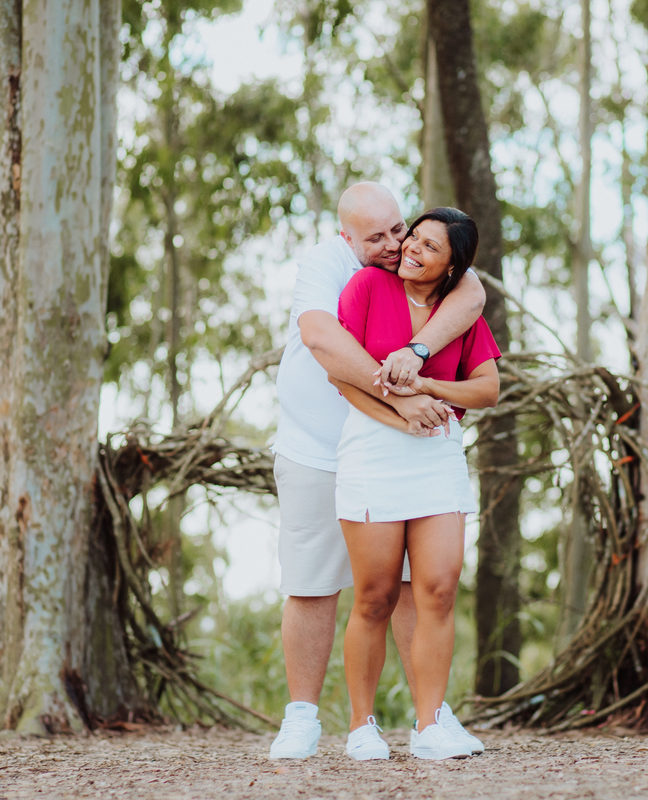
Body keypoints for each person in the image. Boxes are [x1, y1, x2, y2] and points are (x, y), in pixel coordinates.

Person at [269, 184, 487, 759]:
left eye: (400, 229)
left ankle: (431, 719)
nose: (394, 245)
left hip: (405, 455)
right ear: (346, 238)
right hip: (317, 448)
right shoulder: (331, 265)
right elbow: (322, 340)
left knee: (421, 587)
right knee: (316, 584)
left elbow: (472, 294)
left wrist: (416, 359)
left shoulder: (425, 267)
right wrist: (400, 402)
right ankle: (303, 719)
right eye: (377, 237)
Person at [332, 207, 499, 761]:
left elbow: (486, 390)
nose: (412, 250)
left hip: (438, 457)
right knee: (376, 596)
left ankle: (430, 726)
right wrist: (402, 413)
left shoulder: (461, 313)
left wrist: (429, 385)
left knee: (438, 590)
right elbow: (343, 377)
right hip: (372, 452)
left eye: (431, 247)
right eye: (415, 239)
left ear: (453, 268)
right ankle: (361, 726)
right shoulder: (366, 286)